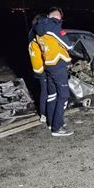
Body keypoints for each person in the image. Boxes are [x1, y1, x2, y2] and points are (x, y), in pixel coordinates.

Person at [34, 7, 75, 136]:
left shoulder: (39, 27)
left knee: (52, 96)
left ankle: (51, 122)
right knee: (64, 95)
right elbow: (69, 46)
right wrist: (71, 45)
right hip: (58, 65)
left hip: (49, 65)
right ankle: (57, 128)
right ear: (58, 17)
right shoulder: (54, 26)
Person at [28, 14, 48, 123]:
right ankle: (44, 114)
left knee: (44, 90)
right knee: (45, 91)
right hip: (42, 67)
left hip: (37, 67)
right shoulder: (38, 33)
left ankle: (44, 112)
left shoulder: (32, 32)